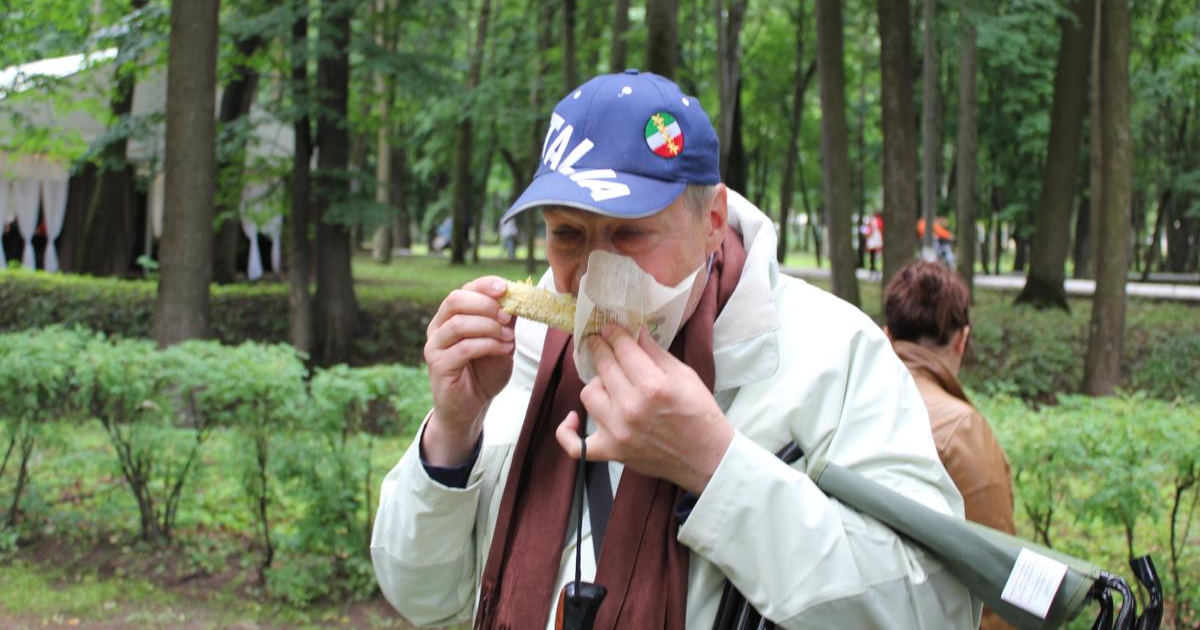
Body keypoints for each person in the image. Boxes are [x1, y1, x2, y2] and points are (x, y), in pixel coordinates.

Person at [371, 71, 978, 629]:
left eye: (630, 232)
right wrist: (452, 434)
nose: (595, 274)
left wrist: (715, 465)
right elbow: (424, 596)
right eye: (569, 234)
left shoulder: (833, 353)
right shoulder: (519, 355)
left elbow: (935, 609)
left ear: (712, 220)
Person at [883, 259, 1016, 630]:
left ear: (886, 336)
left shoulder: (845, 405)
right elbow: (997, 581)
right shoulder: (961, 430)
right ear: (962, 340)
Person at [861, 211, 883, 275]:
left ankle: (873, 268)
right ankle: (872, 268)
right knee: (873, 254)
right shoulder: (873, 221)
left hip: (874, 240)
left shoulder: (874, 221)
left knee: (874, 254)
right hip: (873, 240)